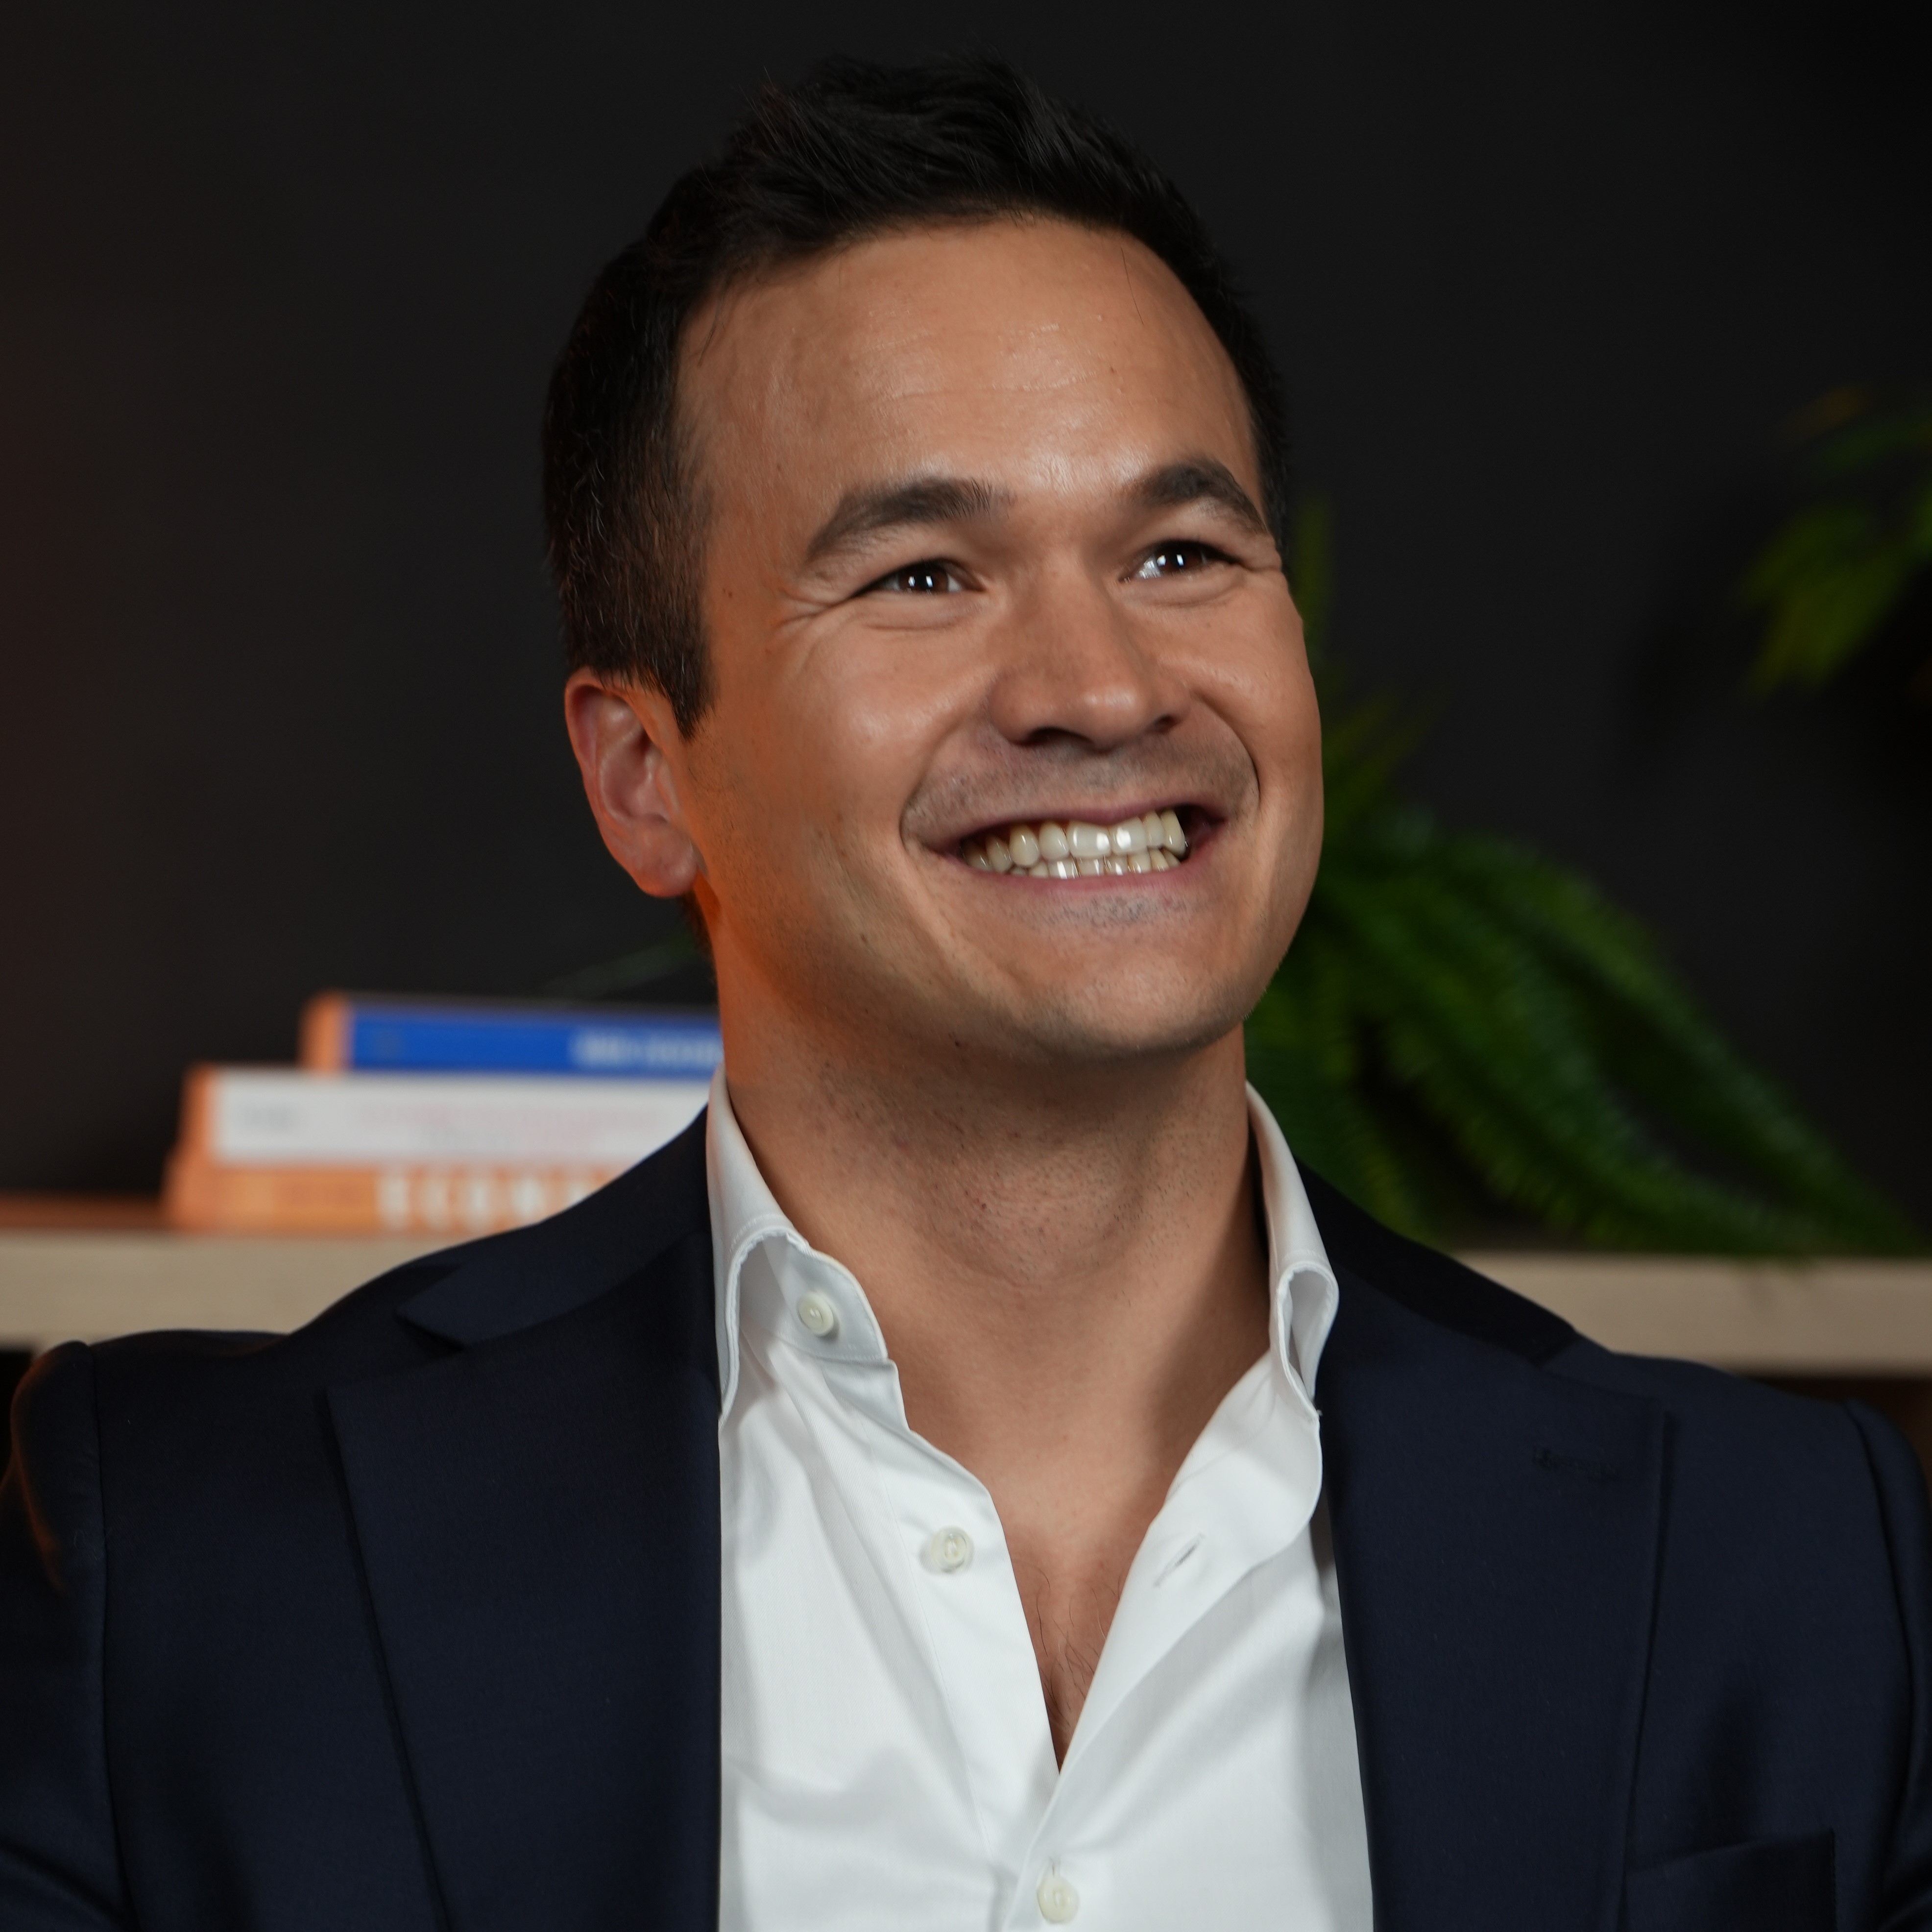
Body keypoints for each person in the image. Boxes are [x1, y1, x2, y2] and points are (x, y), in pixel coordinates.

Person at [2, 54, 1928, 1932]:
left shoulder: (1795, 1566)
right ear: (644, 776)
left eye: (1178, 549)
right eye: (924, 575)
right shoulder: (179, 1560)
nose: (1101, 686)